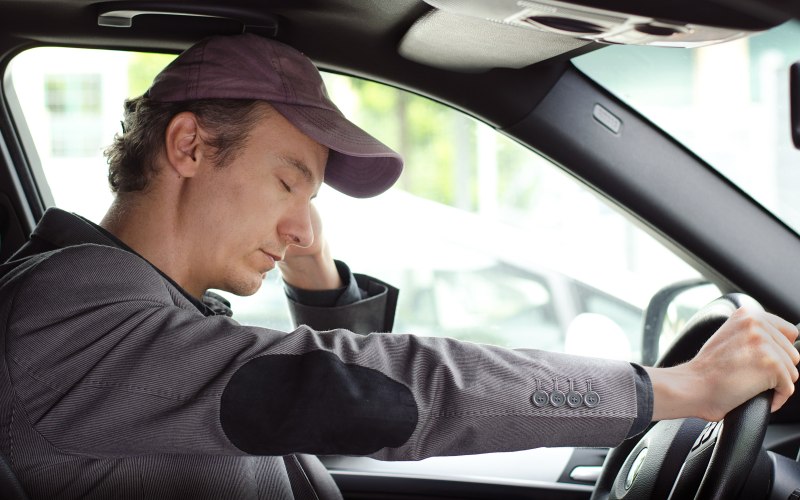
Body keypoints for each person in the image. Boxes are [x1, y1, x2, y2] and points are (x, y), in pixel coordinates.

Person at [0, 33, 797, 500]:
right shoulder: (68, 320)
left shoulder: (141, 309)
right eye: (288, 179)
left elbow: (289, 409)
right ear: (190, 146)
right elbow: (350, 390)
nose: (299, 220)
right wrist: (670, 390)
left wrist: (311, 270)